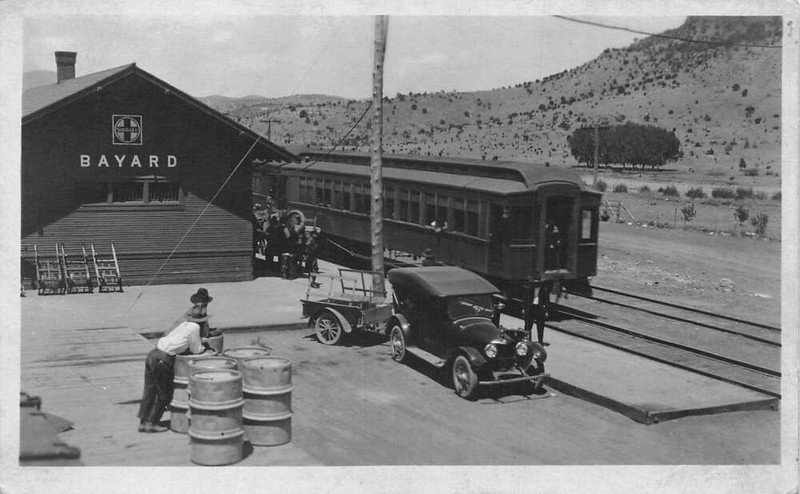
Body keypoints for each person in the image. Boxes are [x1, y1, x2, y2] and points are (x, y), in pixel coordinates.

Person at [136, 292, 216, 433]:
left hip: (153, 354)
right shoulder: (195, 328)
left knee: (150, 390)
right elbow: (196, 350)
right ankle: (152, 423)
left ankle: (143, 422)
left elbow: (179, 340)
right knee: (164, 394)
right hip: (163, 359)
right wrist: (205, 346)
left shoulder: (184, 324)